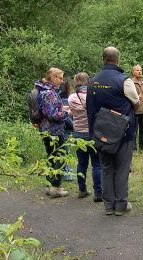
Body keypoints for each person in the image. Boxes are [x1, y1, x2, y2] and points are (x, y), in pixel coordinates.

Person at [86, 46, 139, 216]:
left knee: (106, 168)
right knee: (122, 169)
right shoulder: (125, 80)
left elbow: (90, 109)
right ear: (118, 59)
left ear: (103, 59)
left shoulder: (92, 81)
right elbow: (136, 102)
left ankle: (108, 205)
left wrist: (93, 134)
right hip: (123, 133)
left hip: (101, 133)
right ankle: (121, 205)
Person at [35, 67, 70, 198]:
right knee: (61, 155)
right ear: (53, 77)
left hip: (45, 129)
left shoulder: (42, 90)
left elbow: (48, 110)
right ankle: (55, 186)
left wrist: (61, 107)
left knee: (51, 156)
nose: (62, 81)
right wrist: (67, 113)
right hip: (54, 130)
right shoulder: (49, 93)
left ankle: (52, 185)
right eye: (60, 78)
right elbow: (53, 115)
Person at [68, 72, 102, 202]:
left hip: (78, 134)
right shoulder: (93, 95)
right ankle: (98, 193)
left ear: (76, 82)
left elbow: (71, 112)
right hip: (92, 133)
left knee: (81, 163)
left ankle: (82, 190)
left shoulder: (71, 98)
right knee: (97, 164)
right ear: (88, 81)